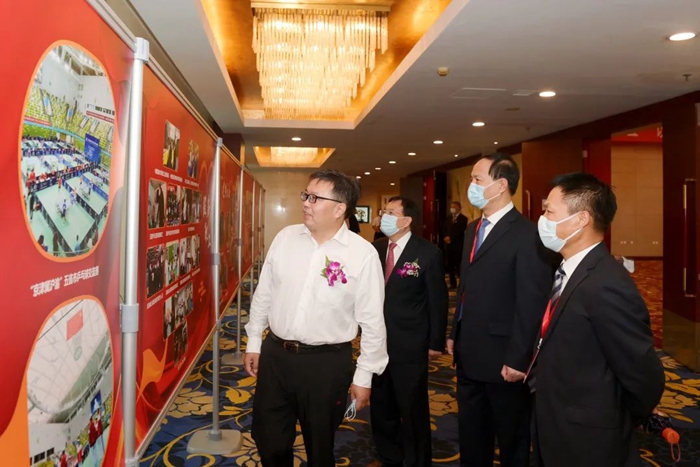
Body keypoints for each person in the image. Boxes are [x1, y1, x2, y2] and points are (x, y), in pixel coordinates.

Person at [244, 169, 388, 467]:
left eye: (315, 198)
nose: (306, 203)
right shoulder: (286, 237)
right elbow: (264, 293)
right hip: (276, 356)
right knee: (268, 439)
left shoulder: (362, 254)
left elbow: (373, 322)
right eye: (305, 195)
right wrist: (254, 341)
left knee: (320, 445)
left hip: (326, 364)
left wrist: (364, 376)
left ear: (339, 209)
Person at [530, 173, 664, 466]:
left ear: (581, 220)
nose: (542, 219)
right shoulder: (568, 269)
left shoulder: (605, 283)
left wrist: (622, 415)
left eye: (549, 211)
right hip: (555, 419)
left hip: (588, 438)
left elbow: (642, 373)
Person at [447, 153, 553, 467]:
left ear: (501, 185)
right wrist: (455, 332)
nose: (471, 185)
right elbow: (465, 287)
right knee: (472, 434)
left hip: (505, 358)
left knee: (512, 438)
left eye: (477, 179)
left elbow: (532, 302)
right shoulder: (473, 229)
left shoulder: (528, 234)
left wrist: (520, 358)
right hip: (469, 352)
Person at [370, 196, 448, 467]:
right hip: (377, 341)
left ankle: (417, 458)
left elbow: (438, 300)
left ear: (406, 220)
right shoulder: (376, 248)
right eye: (384, 211)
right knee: (381, 403)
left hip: (411, 343)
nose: (384, 216)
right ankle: (388, 453)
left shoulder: (427, 252)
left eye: (391, 212)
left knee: (412, 404)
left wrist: (436, 342)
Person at [442, 201, 469, 288]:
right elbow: (444, 228)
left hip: (458, 246)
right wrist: (446, 236)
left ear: (458, 208)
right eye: (451, 207)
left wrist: (450, 237)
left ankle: (461, 283)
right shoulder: (448, 218)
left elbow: (460, 230)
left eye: (454, 207)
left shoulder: (463, 219)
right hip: (448, 246)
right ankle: (452, 283)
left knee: (459, 265)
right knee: (450, 265)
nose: (452, 209)